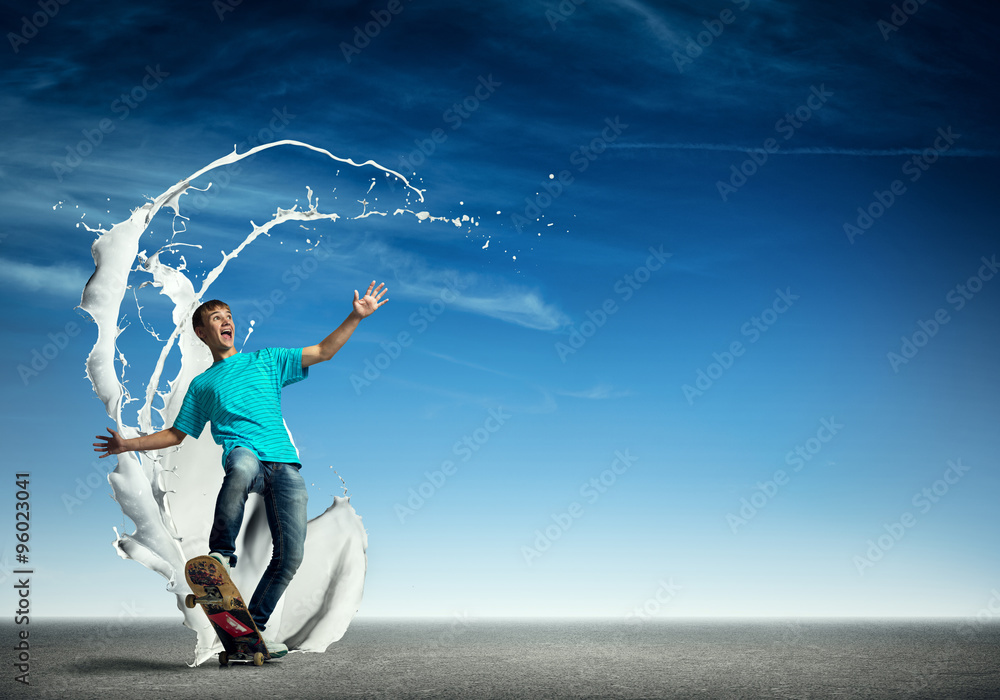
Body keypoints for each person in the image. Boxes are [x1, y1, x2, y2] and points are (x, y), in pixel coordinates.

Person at [94, 281, 388, 657]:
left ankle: (250, 635)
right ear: (202, 333)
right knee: (240, 466)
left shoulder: (266, 360)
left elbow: (324, 351)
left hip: (285, 467)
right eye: (216, 319)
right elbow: (175, 434)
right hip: (244, 453)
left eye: (229, 317)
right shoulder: (202, 385)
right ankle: (220, 554)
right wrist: (126, 444)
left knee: (290, 558)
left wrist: (356, 316)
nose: (225, 322)